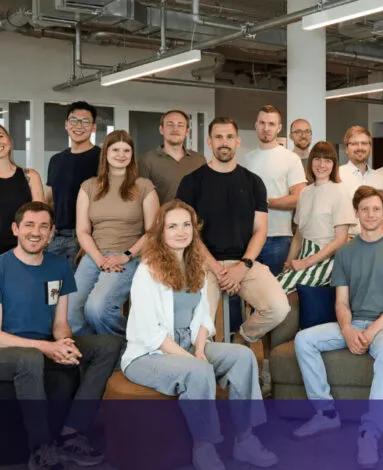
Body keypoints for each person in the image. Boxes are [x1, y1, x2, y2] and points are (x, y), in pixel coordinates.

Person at [121, 200, 278, 470]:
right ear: (161, 231)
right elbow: (150, 333)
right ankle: (204, 447)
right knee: (198, 371)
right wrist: (194, 360)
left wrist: (201, 349)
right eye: (173, 226)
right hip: (149, 353)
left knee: (242, 356)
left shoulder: (196, 267)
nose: (181, 231)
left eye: (186, 225)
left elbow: (203, 315)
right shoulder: (147, 271)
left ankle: (245, 439)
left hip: (188, 340)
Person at [292, 186, 383, 469]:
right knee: (303, 340)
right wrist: (347, 329)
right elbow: (341, 301)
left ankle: (370, 431)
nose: (370, 214)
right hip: (354, 321)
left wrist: (371, 333)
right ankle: (325, 413)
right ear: (356, 214)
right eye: (364, 209)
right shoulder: (345, 252)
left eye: (376, 209)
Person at [0, 201, 122, 470]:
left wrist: (64, 341)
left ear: (52, 232)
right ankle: (41, 449)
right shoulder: (1, 267)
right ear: (15, 229)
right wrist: (46, 347)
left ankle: (72, 433)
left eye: (44, 226)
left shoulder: (59, 266)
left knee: (109, 345)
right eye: (29, 225)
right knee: (30, 358)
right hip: (10, 352)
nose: (36, 232)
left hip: (44, 345)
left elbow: (60, 322)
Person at [176, 117, 290, 344]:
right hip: (203, 264)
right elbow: (189, 233)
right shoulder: (191, 182)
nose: (224, 142)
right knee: (200, 328)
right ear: (209, 142)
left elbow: (260, 230)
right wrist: (217, 268)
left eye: (229, 137)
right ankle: (206, 366)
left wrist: (243, 266)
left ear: (237, 142)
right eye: (218, 137)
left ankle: (242, 338)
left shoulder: (254, 182)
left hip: (244, 263)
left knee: (278, 308)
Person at [68, 130, 159, 337]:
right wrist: (100, 259)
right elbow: (82, 231)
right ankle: (95, 350)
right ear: (106, 154)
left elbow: (153, 232)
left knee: (97, 309)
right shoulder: (89, 186)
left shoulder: (144, 187)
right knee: (69, 311)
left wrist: (126, 255)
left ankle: (125, 347)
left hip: (128, 256)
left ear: (132, 155)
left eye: (126, 150)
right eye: (115, 149)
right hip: (93, 255)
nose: (121, 154)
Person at [277, 141, 354, 293]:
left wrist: (306, 263)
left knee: (275, 291)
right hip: (304, 254)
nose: (321, 165)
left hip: (326, 260)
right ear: (311, 161)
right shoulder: (305, 193)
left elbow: (340, 240)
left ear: (334, 165)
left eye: (327, 160)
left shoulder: (340, 191)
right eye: (317, 159)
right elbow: (299, 235)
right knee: (268, 289)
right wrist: (288, 263)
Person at [241, 105, 307, 276]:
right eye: (262, 123)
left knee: (277, 294)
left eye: (271, 124)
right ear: (256, 125)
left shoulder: (290, 159)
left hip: (278, 238)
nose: (266, 128)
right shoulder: (246, 159)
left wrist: (264, 202)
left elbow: (299, 198)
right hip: (249, 238)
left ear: (279, 128)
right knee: (252, 294)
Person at [46, 101, 101, 266]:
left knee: (77, 291)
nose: (79, 125)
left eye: (85, 121)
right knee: (53, 289)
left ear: (93, 127)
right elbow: (48, 200)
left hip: (87, 238)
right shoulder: (56, 160)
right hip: (57, 237)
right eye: (74, 120)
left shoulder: (102, 159)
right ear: (66, 124)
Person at [137, 109, 207, 205]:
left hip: (194, 219)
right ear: (161, 129)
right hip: (160, 219)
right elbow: (139, 199)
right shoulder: (146, 160)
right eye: (170, 124)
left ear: (187, 132)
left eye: (180, 125)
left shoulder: (199, 160)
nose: (175, 129)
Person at [339, 125, 383, 237]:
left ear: (370, 147)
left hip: (377, 242)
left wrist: (382, 243)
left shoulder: (379, 177)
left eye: (364, 143)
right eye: (354, 144)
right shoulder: (337, 176)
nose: (360, 147)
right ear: (346, 149)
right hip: (348, 242)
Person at [0, 124, 44, 253]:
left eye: (1, 136)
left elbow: (41, 217)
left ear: (10, 141)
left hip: (22, 251)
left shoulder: (30, 176)